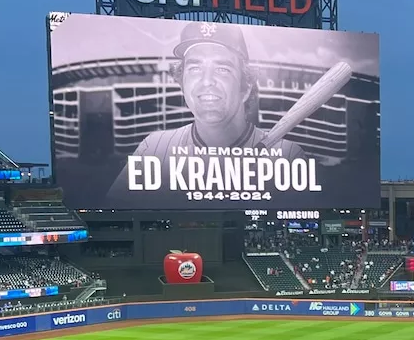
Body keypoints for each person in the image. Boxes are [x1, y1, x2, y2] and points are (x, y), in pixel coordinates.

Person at [104, 21, 307, 206]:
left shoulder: (287, 155)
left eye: (222, 69)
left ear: (245, 88)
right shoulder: (154, 148)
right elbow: (115, 212)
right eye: (194, 69)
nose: (206, 81)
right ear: (182, 84)